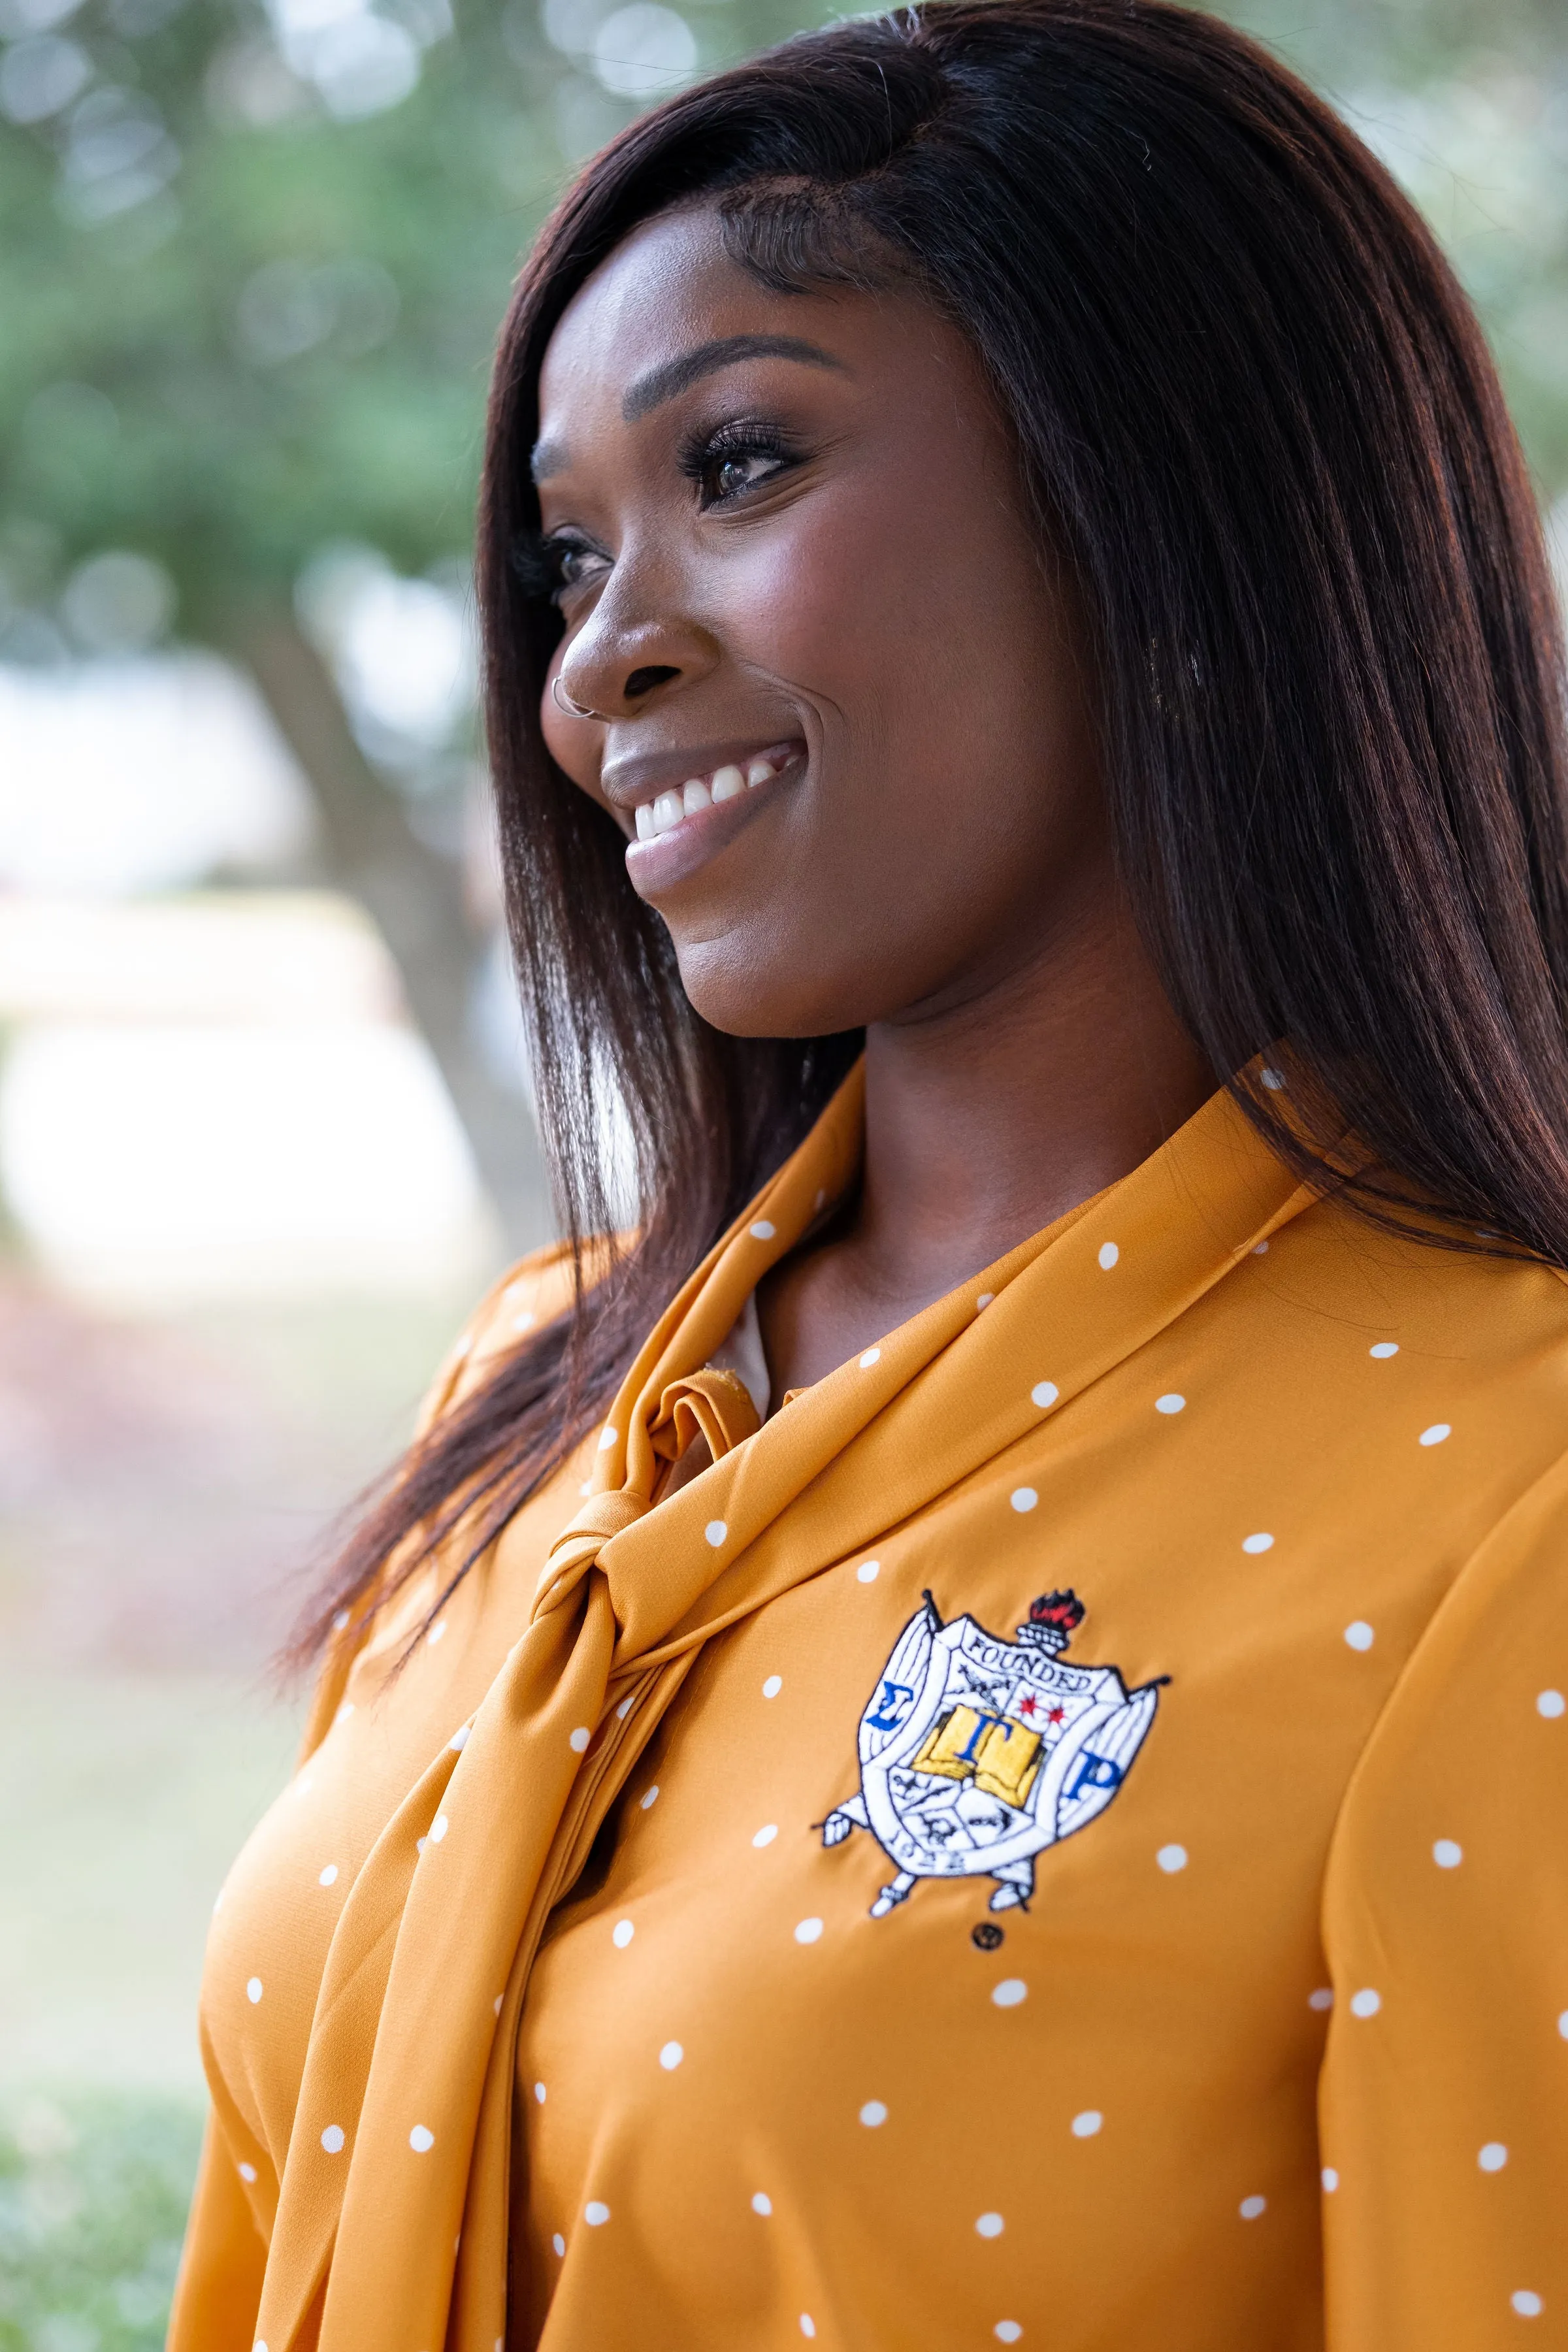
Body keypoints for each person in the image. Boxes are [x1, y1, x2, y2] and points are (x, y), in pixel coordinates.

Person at [170, 2, 1568, 2345]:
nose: (591, 666)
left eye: (737, 465)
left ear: (1170, 506)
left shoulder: (1508, 1507)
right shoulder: (544, 1384)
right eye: (561, 555)